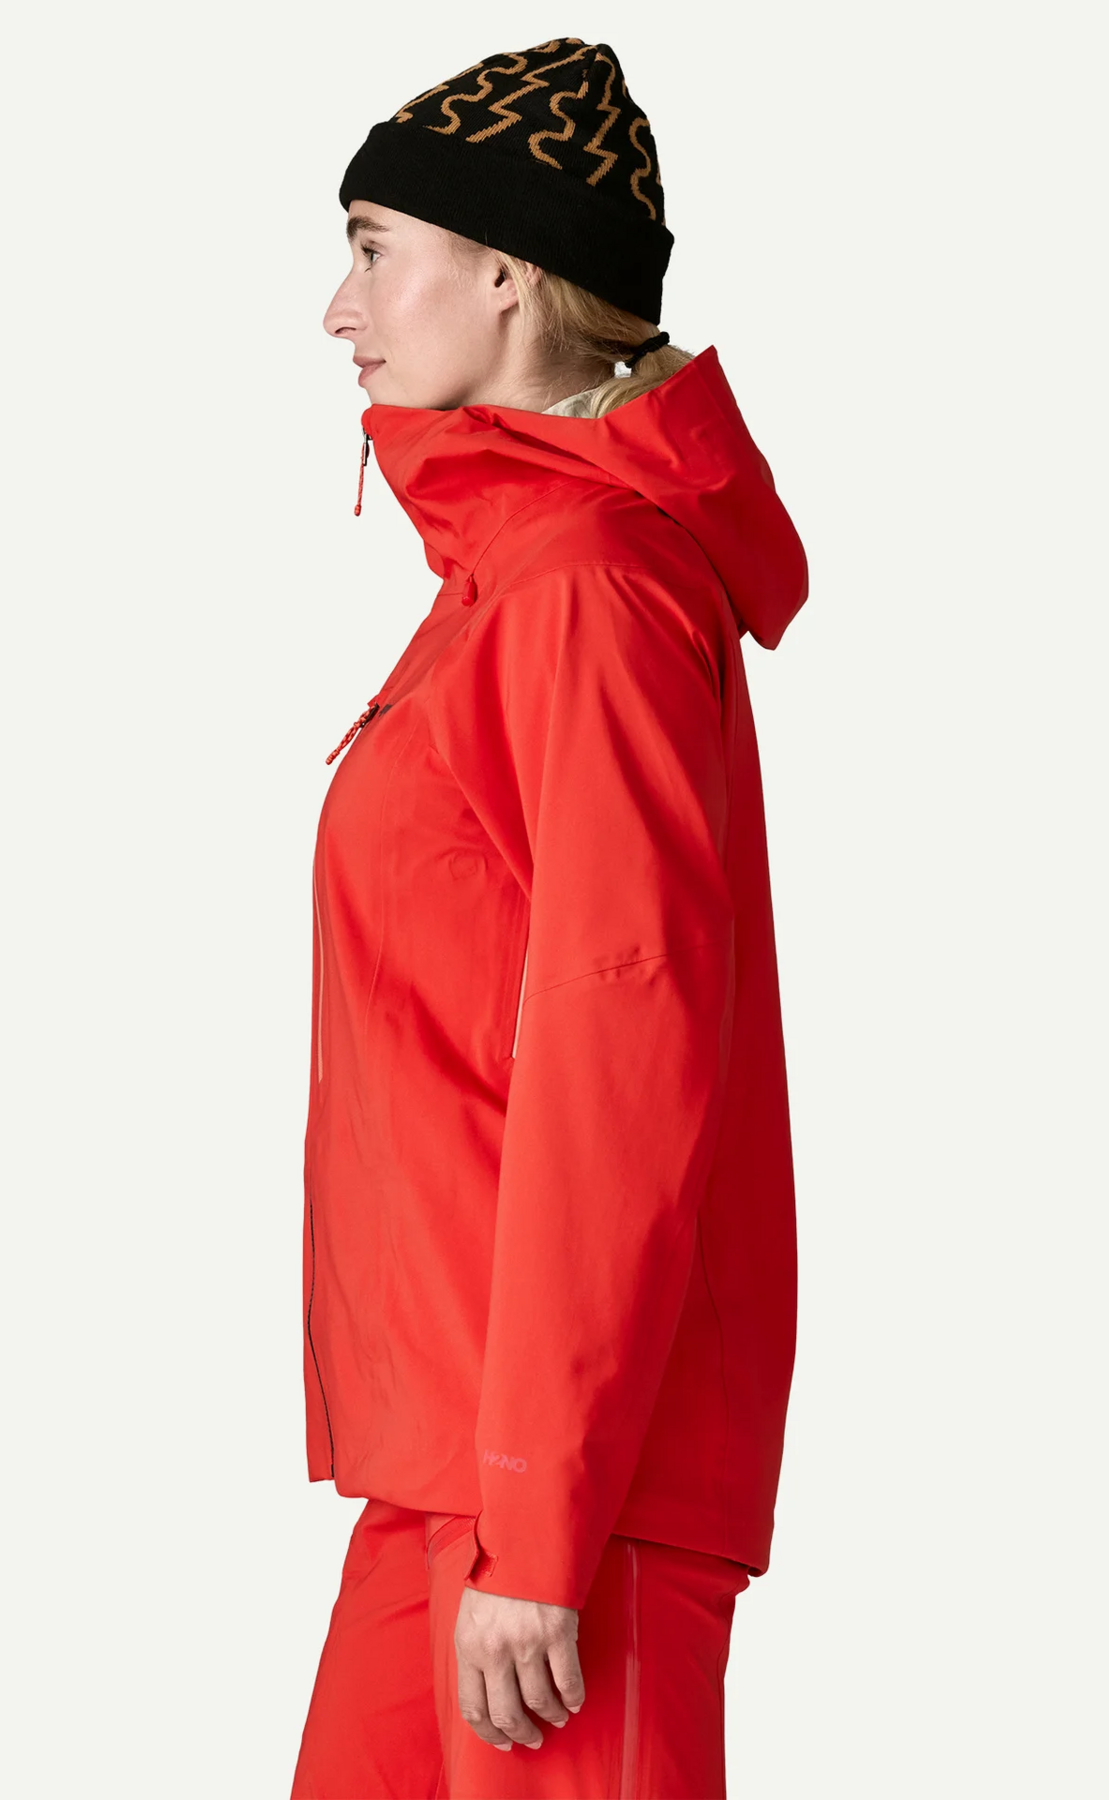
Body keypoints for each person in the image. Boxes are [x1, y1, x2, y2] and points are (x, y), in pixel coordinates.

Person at [291, 37, 808, 1799]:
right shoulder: (505, 582)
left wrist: (542, 1513)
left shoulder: (589, 588)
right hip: (449, 1463)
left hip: (560, 1496)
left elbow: (622, 1053)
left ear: (508, 273)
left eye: (374, 250)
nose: (339, 310)